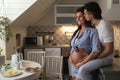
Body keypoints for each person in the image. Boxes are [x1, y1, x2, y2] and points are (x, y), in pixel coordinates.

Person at [71, 1, 114, 80]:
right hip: (99, 56)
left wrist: (91, 58)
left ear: (91, 14)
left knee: (83, 69)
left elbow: (109, 50)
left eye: (85, 13)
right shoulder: (96, 25)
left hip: (106, 58)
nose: (84, 15)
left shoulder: (105, 25)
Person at [69, 6, 101, 80]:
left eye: (80, 16)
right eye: (76, 17)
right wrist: (70, 57)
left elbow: (96, 51)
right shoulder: (77, 32)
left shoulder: (93, 31)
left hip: (84, 67)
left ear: (85, 16)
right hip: (74, 66)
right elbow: (73, 48)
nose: (77, 19)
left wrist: (81, 63)